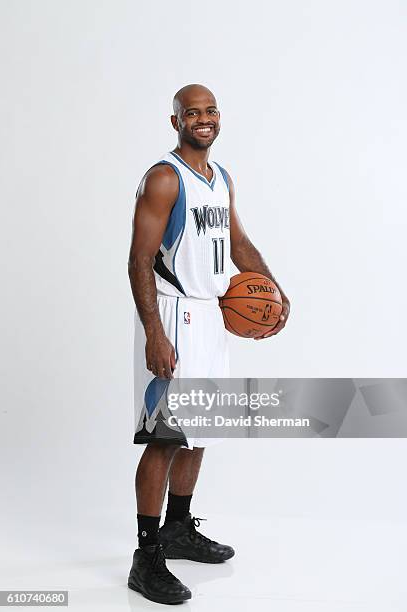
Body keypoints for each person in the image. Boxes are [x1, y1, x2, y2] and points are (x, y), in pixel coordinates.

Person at [127, 83, 290, 604]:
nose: (203, 119)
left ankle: (177, 527)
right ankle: (145, 554)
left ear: (219, 118)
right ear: (175, 121)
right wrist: (155, 333)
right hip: (174, 316)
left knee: (201, 432)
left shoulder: (220, 177)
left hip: (214, 314)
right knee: (165, 437)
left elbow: (238, 243)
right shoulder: (163, 179)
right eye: (191, 112)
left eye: (210, 110)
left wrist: (275, 291)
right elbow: (138, 261)